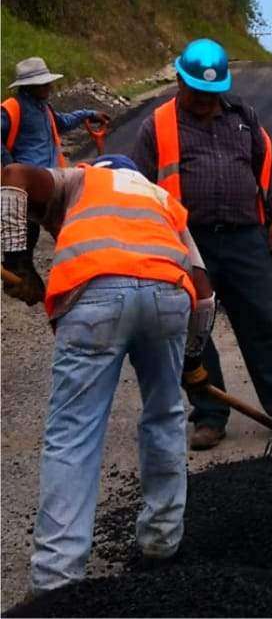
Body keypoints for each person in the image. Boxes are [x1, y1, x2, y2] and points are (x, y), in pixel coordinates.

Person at [1, 155, 216, 596]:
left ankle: (57, 581)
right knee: (165, 415)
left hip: (96, 293)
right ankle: (161, 542)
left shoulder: (79, 179)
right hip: (168, 294)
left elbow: (14, 177)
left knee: (74, 434)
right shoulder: (160, 199)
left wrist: (19, 263)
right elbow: (205, 291)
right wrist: (192, 363)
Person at [131, 39, 272, 450]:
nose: (205, 101)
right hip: (187, 242)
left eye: (211, 94)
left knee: (264, 322)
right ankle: (210, 415)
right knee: (193, 330)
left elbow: (269, 166)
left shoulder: (243, 118)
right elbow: (138, 187)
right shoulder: (158, 125)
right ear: (181, 82)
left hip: (245, 238)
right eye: (197, 93)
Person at [3, 57, 111, 270]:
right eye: (43, 83)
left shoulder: (44, 108)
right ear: (29, 86)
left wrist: (87, 114)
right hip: (30, 183)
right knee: (28, 233)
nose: (49, 87)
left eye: (47, 82)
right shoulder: (12, 108)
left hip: (53, 180)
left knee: (67, 230)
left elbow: (61, 122)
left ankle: (82, 271)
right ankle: (21, 273)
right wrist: (10, 168)